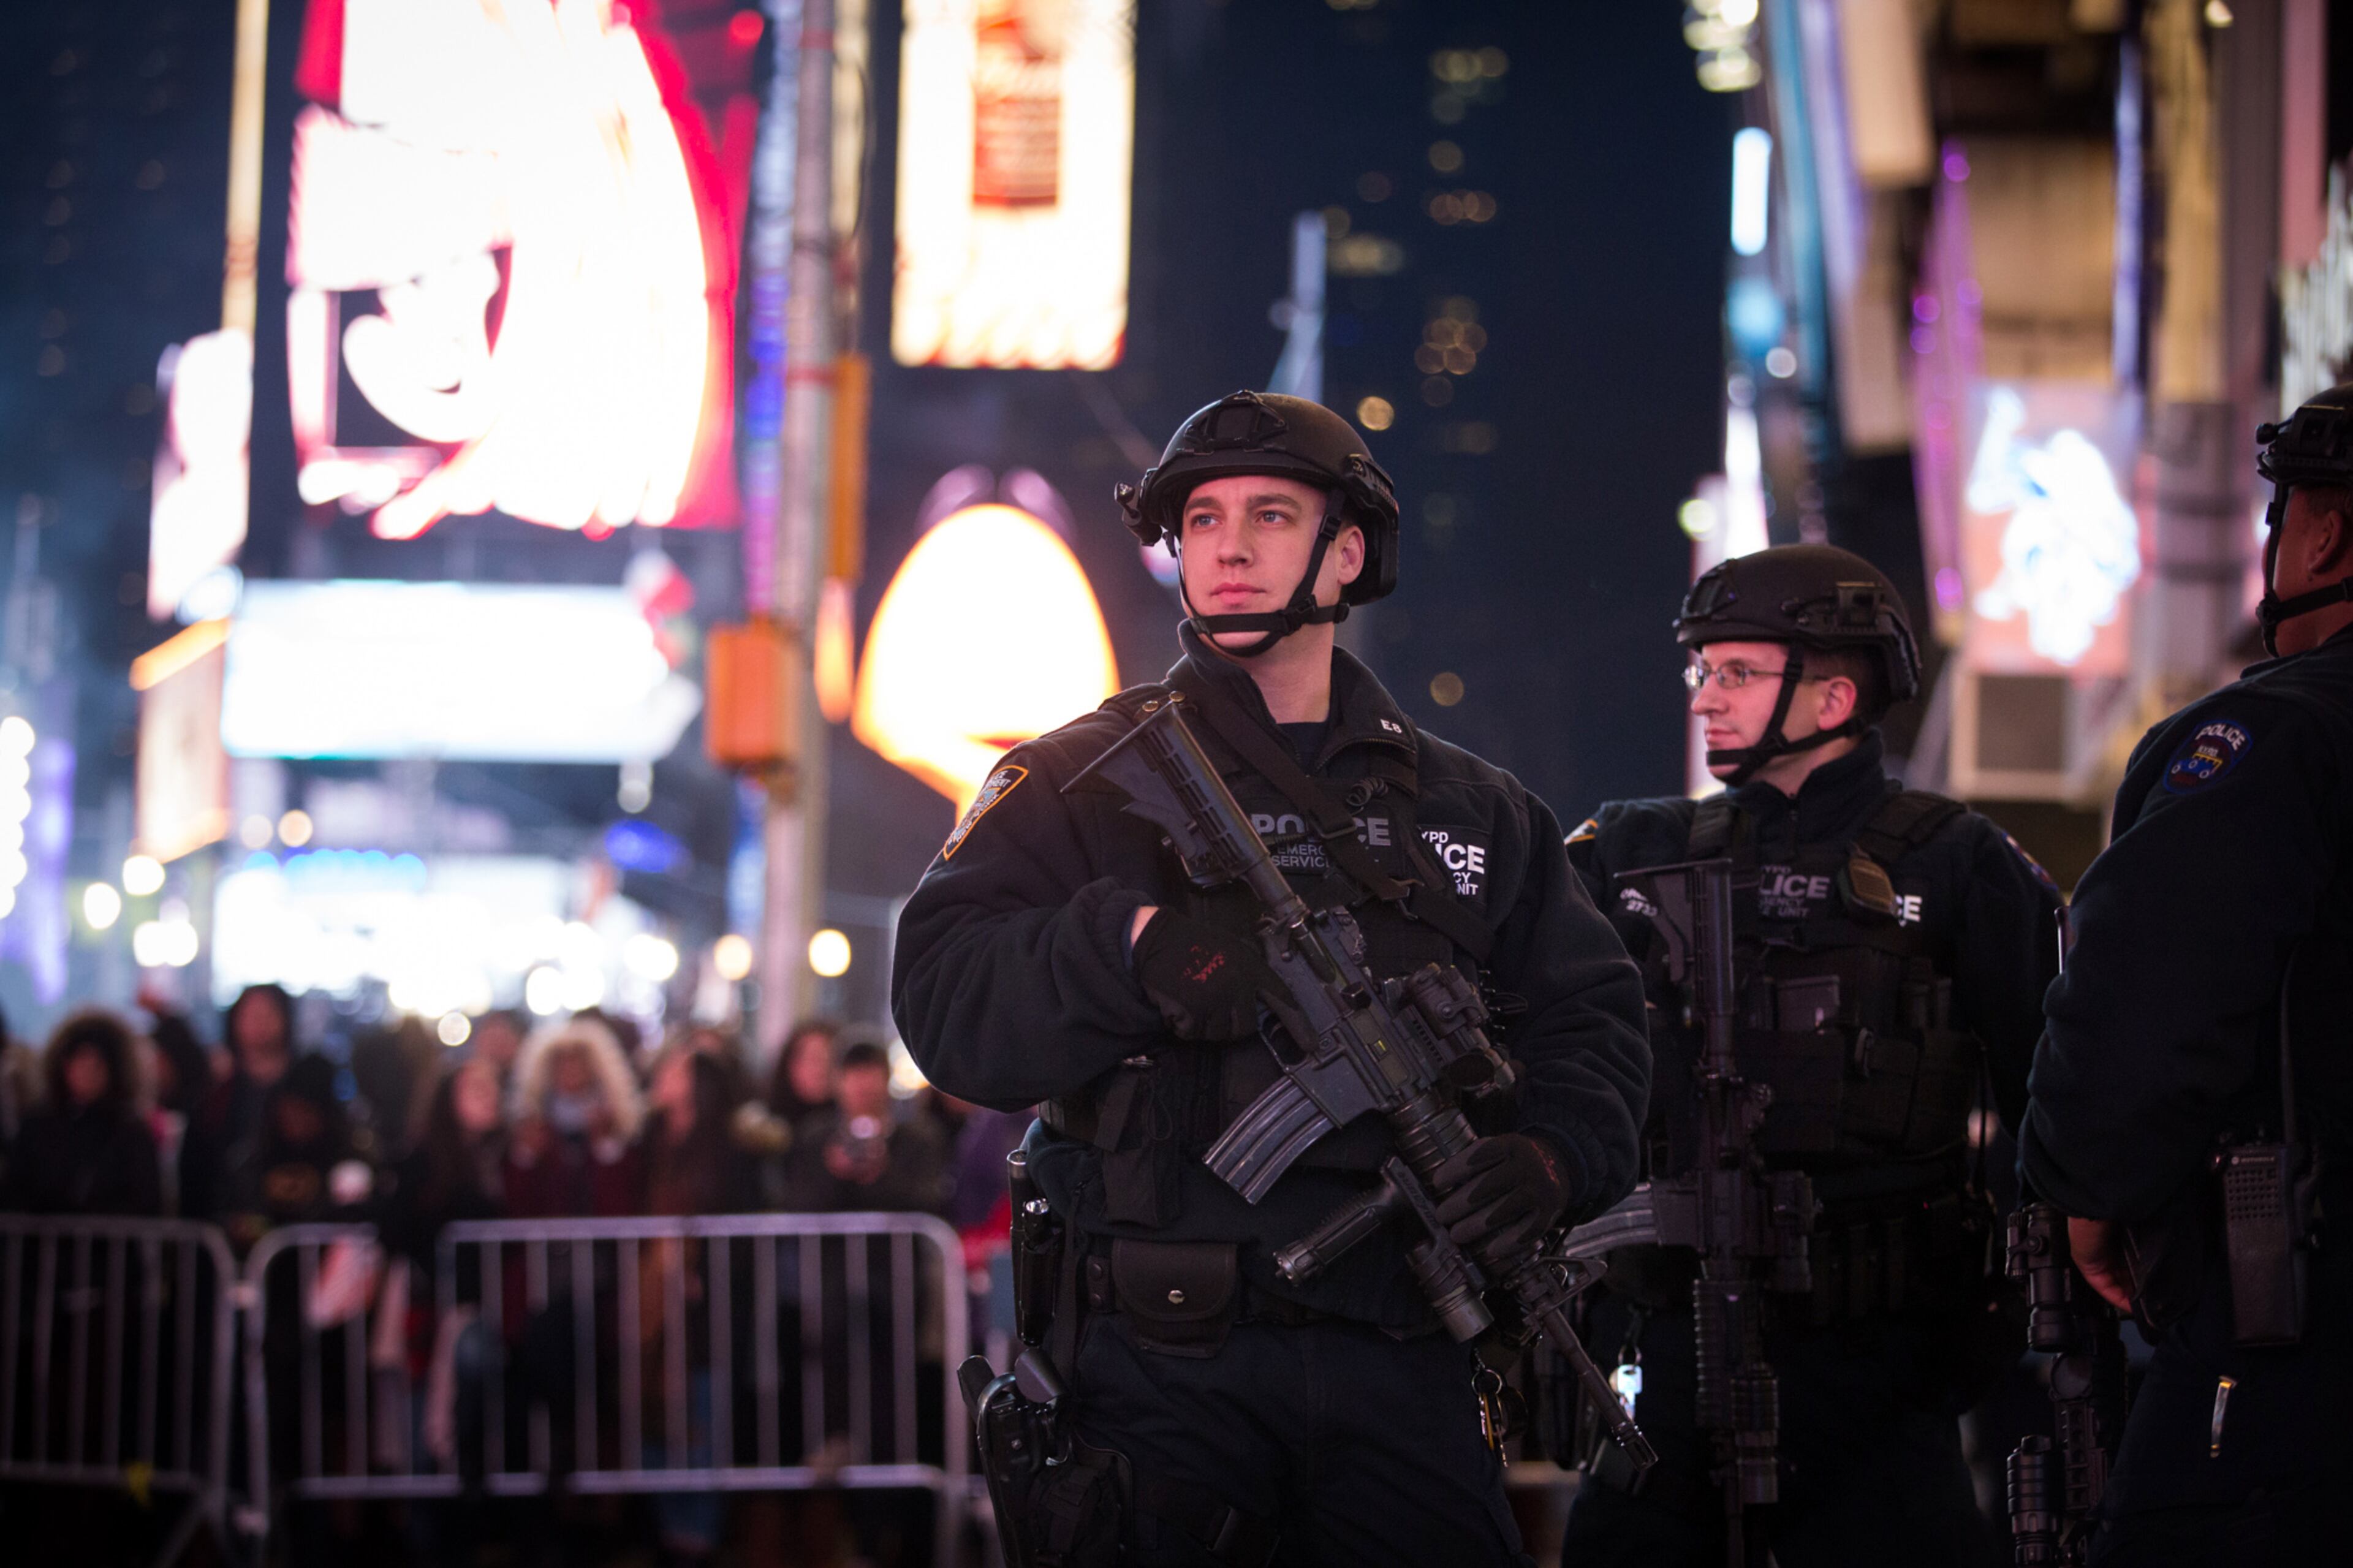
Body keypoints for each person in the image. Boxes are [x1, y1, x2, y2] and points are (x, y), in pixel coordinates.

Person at [892, 390, 1650, 1566]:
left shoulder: (1478, 811)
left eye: (1271, 515)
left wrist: (1552, 1157)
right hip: (1159, 1369)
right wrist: (1131, 945)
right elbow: (944, 997)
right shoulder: (1073, 783)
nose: (1231, 546)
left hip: (1402, 1358)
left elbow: (1596, 1021)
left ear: (1345, 553)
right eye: (1201, 519)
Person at [1555, 544, 2063, 1568]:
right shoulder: (1633, 848)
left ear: (1835, 693)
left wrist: (2024, 1309)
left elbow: (2049, 1096)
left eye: (1737, 671)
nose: (1707, 696)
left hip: (1881, 1355)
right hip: (1677, 1337)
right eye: (1702, 669)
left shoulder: (1955, 857)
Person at [2019, 383, 2353, 1564]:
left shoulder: (2278, 737)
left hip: (2299, 1344)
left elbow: (2142, 997)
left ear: (2324, 533)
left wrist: (2088, 1188)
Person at [0, 1010, 164, 1216]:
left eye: (96, 1066)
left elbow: (145, 1200)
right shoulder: (38, 1125)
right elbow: (17, 1191)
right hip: (44, 1245)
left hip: (107, 1247)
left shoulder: (130, 1131)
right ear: (64, 1066)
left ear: (112, 1070)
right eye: (80, 1063)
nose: (87, 1074)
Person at [779, 1039, 947, 1216]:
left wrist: (883, 1172)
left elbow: (931, 1202)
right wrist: (833, 1172)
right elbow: (797, 1204)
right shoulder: (815, 1136)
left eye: (871, 1074)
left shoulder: (919, 1137)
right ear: (837, 1081)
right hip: (832, 1243)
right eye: (854, 1075)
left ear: (887, 1078)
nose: (863, 1086)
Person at [182, 982, 300, 1224]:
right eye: (251, 1014)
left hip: (286, 1222)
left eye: (268, 1013)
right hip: (222, 1223)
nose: (260, 1022)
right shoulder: (217, 1093)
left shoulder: (303, 1088)